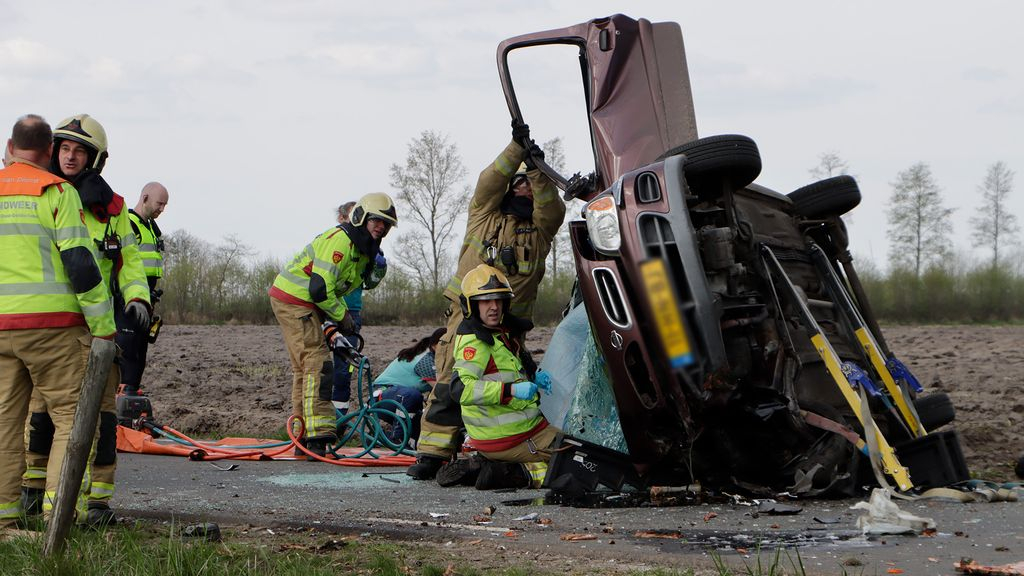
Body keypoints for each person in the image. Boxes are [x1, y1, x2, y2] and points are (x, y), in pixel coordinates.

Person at [407, 120, 565, 480]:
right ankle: (432, 453)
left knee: (505, 384)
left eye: (531, 184)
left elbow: (553, 210)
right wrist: (515, 149)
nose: (525, 189)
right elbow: (487, 182)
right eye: (520, 182)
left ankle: (498, 448)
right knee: (451, 378)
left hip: (511, 324)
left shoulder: (540, 230)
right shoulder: (484, 214)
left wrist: (538, 171)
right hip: (467, 315)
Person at [20, 114, 151, 526]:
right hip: (55, 328)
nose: (70, 156)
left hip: (101, 330)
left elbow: (128, 263)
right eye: (64, 148)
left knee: (103, 418)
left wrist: (137, 299)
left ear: (96, 160)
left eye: (79, 150)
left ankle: (97, 504)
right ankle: (32, 495)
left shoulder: (113, 211)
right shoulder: (44, 196)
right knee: (40, 415)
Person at [0, 114, 115, 528]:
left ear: (10, 147)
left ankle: (4, 523)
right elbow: (82, 265)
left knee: (5, 424)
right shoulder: (56, 190)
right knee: (71, 419)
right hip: (53, 328)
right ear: (49, 152)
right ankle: (59, 519)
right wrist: (103, 327)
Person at [269, 192, 397, 457]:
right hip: (296, 299)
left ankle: (303, 436)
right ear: (361, 217)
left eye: (385, 224)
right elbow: (319, 289)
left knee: (304, 368)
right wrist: (342, 317)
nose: (380, 227)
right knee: (317, 362)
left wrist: (378, 269)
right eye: (376, 220)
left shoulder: (363, 249)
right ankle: (317, 436)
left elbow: (358, 285)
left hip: (309, 304)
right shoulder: (340, 241)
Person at [437, 265, 558, 489]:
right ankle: (514, 472)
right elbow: (460, 389)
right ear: (472, 305)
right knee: (575, 464)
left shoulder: (499, 333)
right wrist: (509, 390)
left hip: (516, 431)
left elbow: (506, 368)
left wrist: (534, 375)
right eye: (485, 301)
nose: (494, 307)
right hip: (512, 436)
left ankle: (486, 466)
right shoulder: (476, 343)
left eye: (498, 300)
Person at [331, 201, 387, 413]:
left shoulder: (369, 247)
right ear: (343, 218)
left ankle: (339, 419)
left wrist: (379, 269)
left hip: (351, 312)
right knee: (319, 367)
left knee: (344, 368)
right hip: (326, 308)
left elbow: (369, 283)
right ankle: (317, 419)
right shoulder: (335, 242)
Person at [118, 181, 169, 396]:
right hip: (130, 297)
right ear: (145, 198)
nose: (161, 209)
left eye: (165, 206)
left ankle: (132, 393)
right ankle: (123, 393)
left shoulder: (151, 228)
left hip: (148, 297)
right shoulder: (129, 224)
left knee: (140, 351)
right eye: (159, 204)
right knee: (128, 350)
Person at [371, 327, 446, 445]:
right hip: (383, 395)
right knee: (413, 395)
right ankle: (398, 438)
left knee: (425, 433)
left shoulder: (435, 356)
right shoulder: (426, 360)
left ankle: (384, 437)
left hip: (400, 399)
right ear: (434, 345)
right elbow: (442, 390)